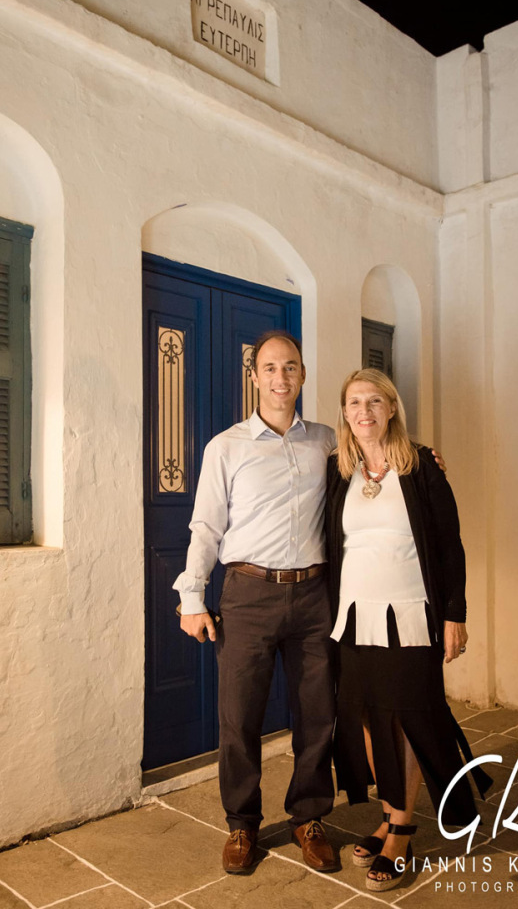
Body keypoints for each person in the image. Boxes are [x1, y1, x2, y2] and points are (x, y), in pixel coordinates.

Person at [174, 330, 339, 874]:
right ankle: (242, 824)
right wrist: (192, 596)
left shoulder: (327, 441)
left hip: (314, 595)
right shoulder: (225, 447)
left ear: (302, 375)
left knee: (317, 713)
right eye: (270, 368)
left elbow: (377, 466)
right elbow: (206, 526)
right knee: (239, 715)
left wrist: (423, 462)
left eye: (290, 367)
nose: (280, 377)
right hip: (247, 594)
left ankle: (309, 817)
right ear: (254, 377)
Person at [325, 368, 492, 892]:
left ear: (392, 408)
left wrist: (455, 613)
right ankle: (388, 813)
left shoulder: (421, 467)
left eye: (375, 401)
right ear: (345, 413)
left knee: (409, 721)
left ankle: (401, 830)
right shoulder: (339, 469)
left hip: (411, 617)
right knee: (369, 721)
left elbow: (449, 545)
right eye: (355, 402)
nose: (365, 411)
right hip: (354, 617)